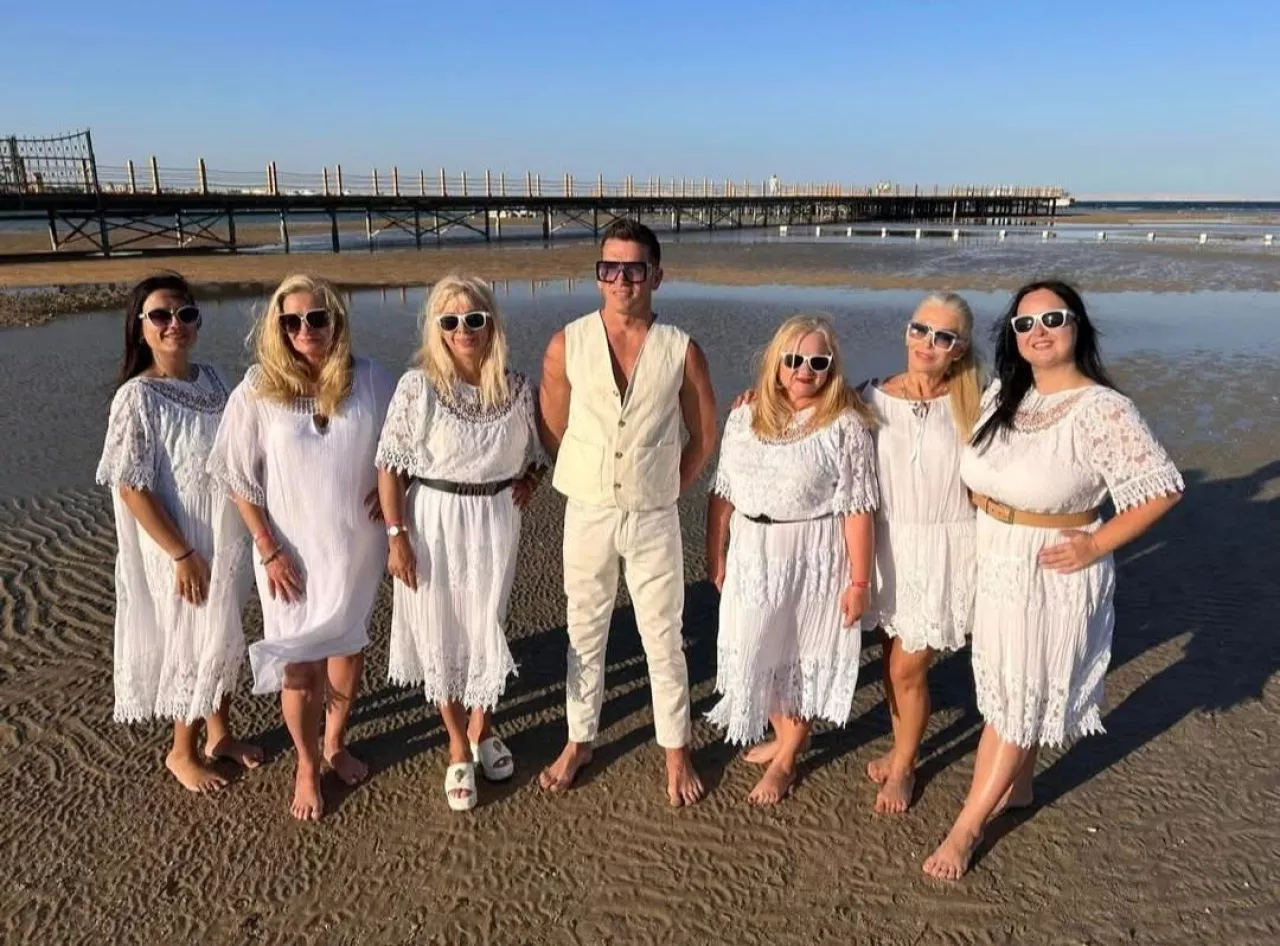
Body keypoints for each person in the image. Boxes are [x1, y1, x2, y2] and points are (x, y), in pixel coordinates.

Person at [923, 280, 1184, 880]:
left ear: (1078, 326)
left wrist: (1095, 543)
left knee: (1017, 701)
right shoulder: (1005, 394)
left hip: (1051, 567)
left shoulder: (1102, 409)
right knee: (1010, 687)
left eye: (1053, 319)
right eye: (1025, 324)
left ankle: (966, 829)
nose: (1038, 332)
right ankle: (1016, 789)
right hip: (998, 558)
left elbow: (1163, 489)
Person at [538, 218, 718, 807]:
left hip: (653, 515)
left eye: (634, 269)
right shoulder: (566, 343)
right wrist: (587, 476)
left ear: (656, 276)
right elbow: (554, 426)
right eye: (609, 268)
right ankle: (578, 739)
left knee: (663, 635)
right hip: (588, 511)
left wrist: (668, 485)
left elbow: (703, 435)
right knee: (584, 629)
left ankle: (677, 748)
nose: (621, 280)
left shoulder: (682, 350)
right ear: (599, 276)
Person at [209, 274, 393, 821]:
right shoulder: (259, 388)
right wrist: (267, 547)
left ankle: (335, 742)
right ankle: (307, 764)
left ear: (337, 320)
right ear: (279, 327)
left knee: (349, 646)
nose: (305, 329)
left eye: (317, 318)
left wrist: (396, 489)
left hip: (356, 546)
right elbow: (236, 475)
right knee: (299, 664)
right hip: (287, 554)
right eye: (291, 321)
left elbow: (408, 442)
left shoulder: (372, 378)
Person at [376, 275, 547, 812]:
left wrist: (531, 479)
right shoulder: (419, 388)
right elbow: (389, 467)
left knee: (486, 626)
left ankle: (482, 727)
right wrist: (396, 536)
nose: (462, 330)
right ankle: (456, 742)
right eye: (449, 321)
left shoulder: (517, 388)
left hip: (496, 521)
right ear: (437, 328)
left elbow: (543, 448)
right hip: (433, 522)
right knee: (440, 630)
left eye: (474, 319)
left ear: (491, 324)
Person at [96, 273, 260, 793]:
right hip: (178, 542)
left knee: (224, 633)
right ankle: (181, 751)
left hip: (224, 534)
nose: (175, 324)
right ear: (140, 327)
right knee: (189, 643)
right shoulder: (137, 397)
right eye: (161, 316)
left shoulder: (212, 378)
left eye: (185, 314)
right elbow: (131, 487)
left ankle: (220, 735)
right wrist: (182, 553)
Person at [705, 315, 877, 804]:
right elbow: (723, 491)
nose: (804, 370)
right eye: (794, 359)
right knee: (757, 649)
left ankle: (787, 757)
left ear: (831, 369)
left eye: (817, 362)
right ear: (776, 363)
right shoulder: (744, 416)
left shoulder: (845, 425)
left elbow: (858, 507)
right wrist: (715, 552)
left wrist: (859, 583)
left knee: (797, 656)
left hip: (811, 556)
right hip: (752, 552)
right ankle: (784, 737)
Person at [861, 293, 982, 814]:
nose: (927, 343)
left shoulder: (978, 403)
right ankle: (900, 747)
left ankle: (906, 766)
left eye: (943, 336)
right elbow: (808, 409)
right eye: (920, 329)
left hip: (945, 549)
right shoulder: (869, 397)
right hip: (887, 545)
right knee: (891, 660)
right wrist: (759, 396)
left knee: (907, 669)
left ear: (960, 348)